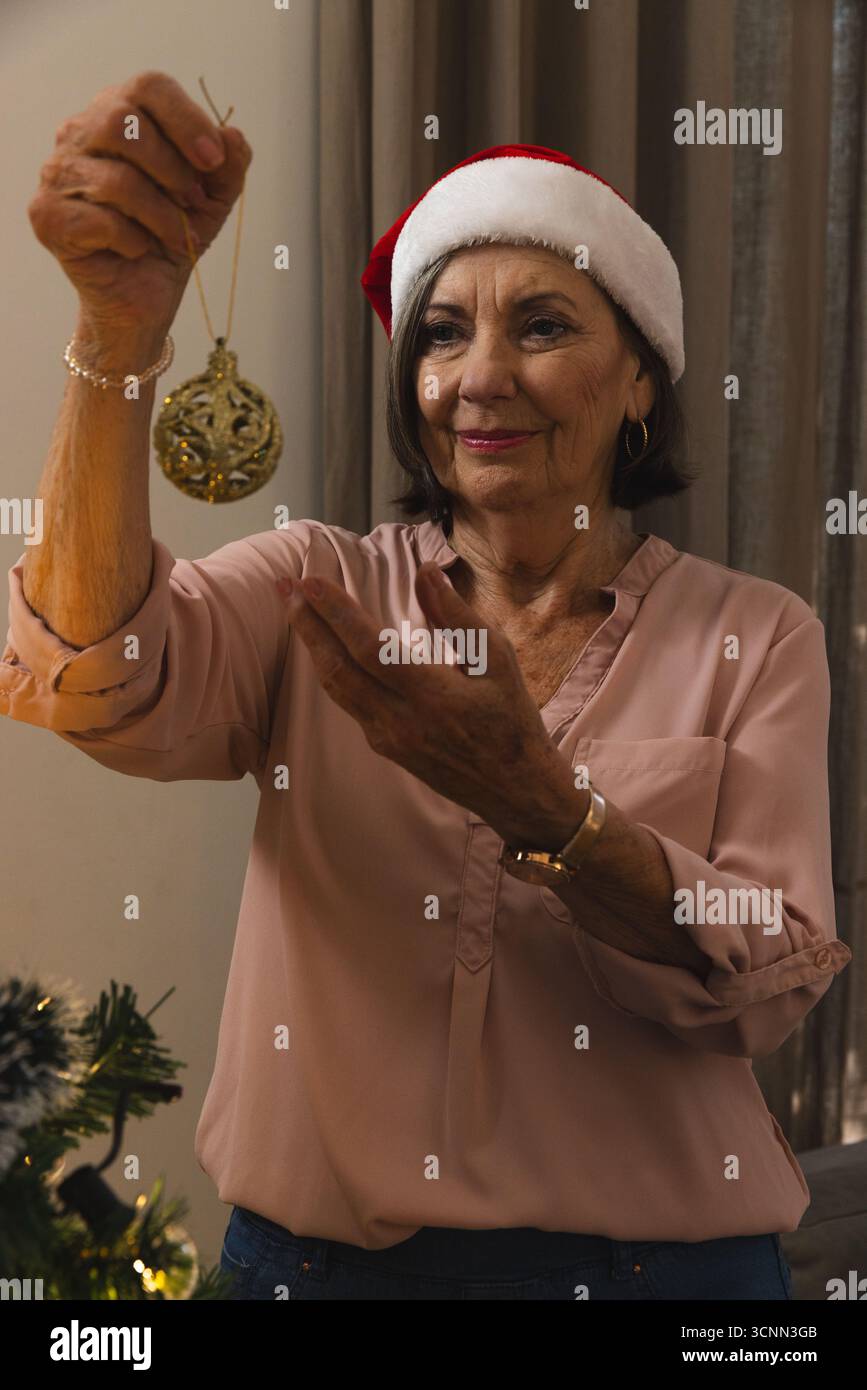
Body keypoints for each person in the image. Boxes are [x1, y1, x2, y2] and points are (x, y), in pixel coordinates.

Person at [2, 73, 851, 1301]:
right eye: (443, 332)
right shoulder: (319, 586)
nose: (478, 376)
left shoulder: (760, 634)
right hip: (314, 1273)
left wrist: (546, 811)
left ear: (642, 381)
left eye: (545, 326)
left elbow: (770, 982)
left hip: (666, 1280)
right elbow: (95, 675)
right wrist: (119, 335)